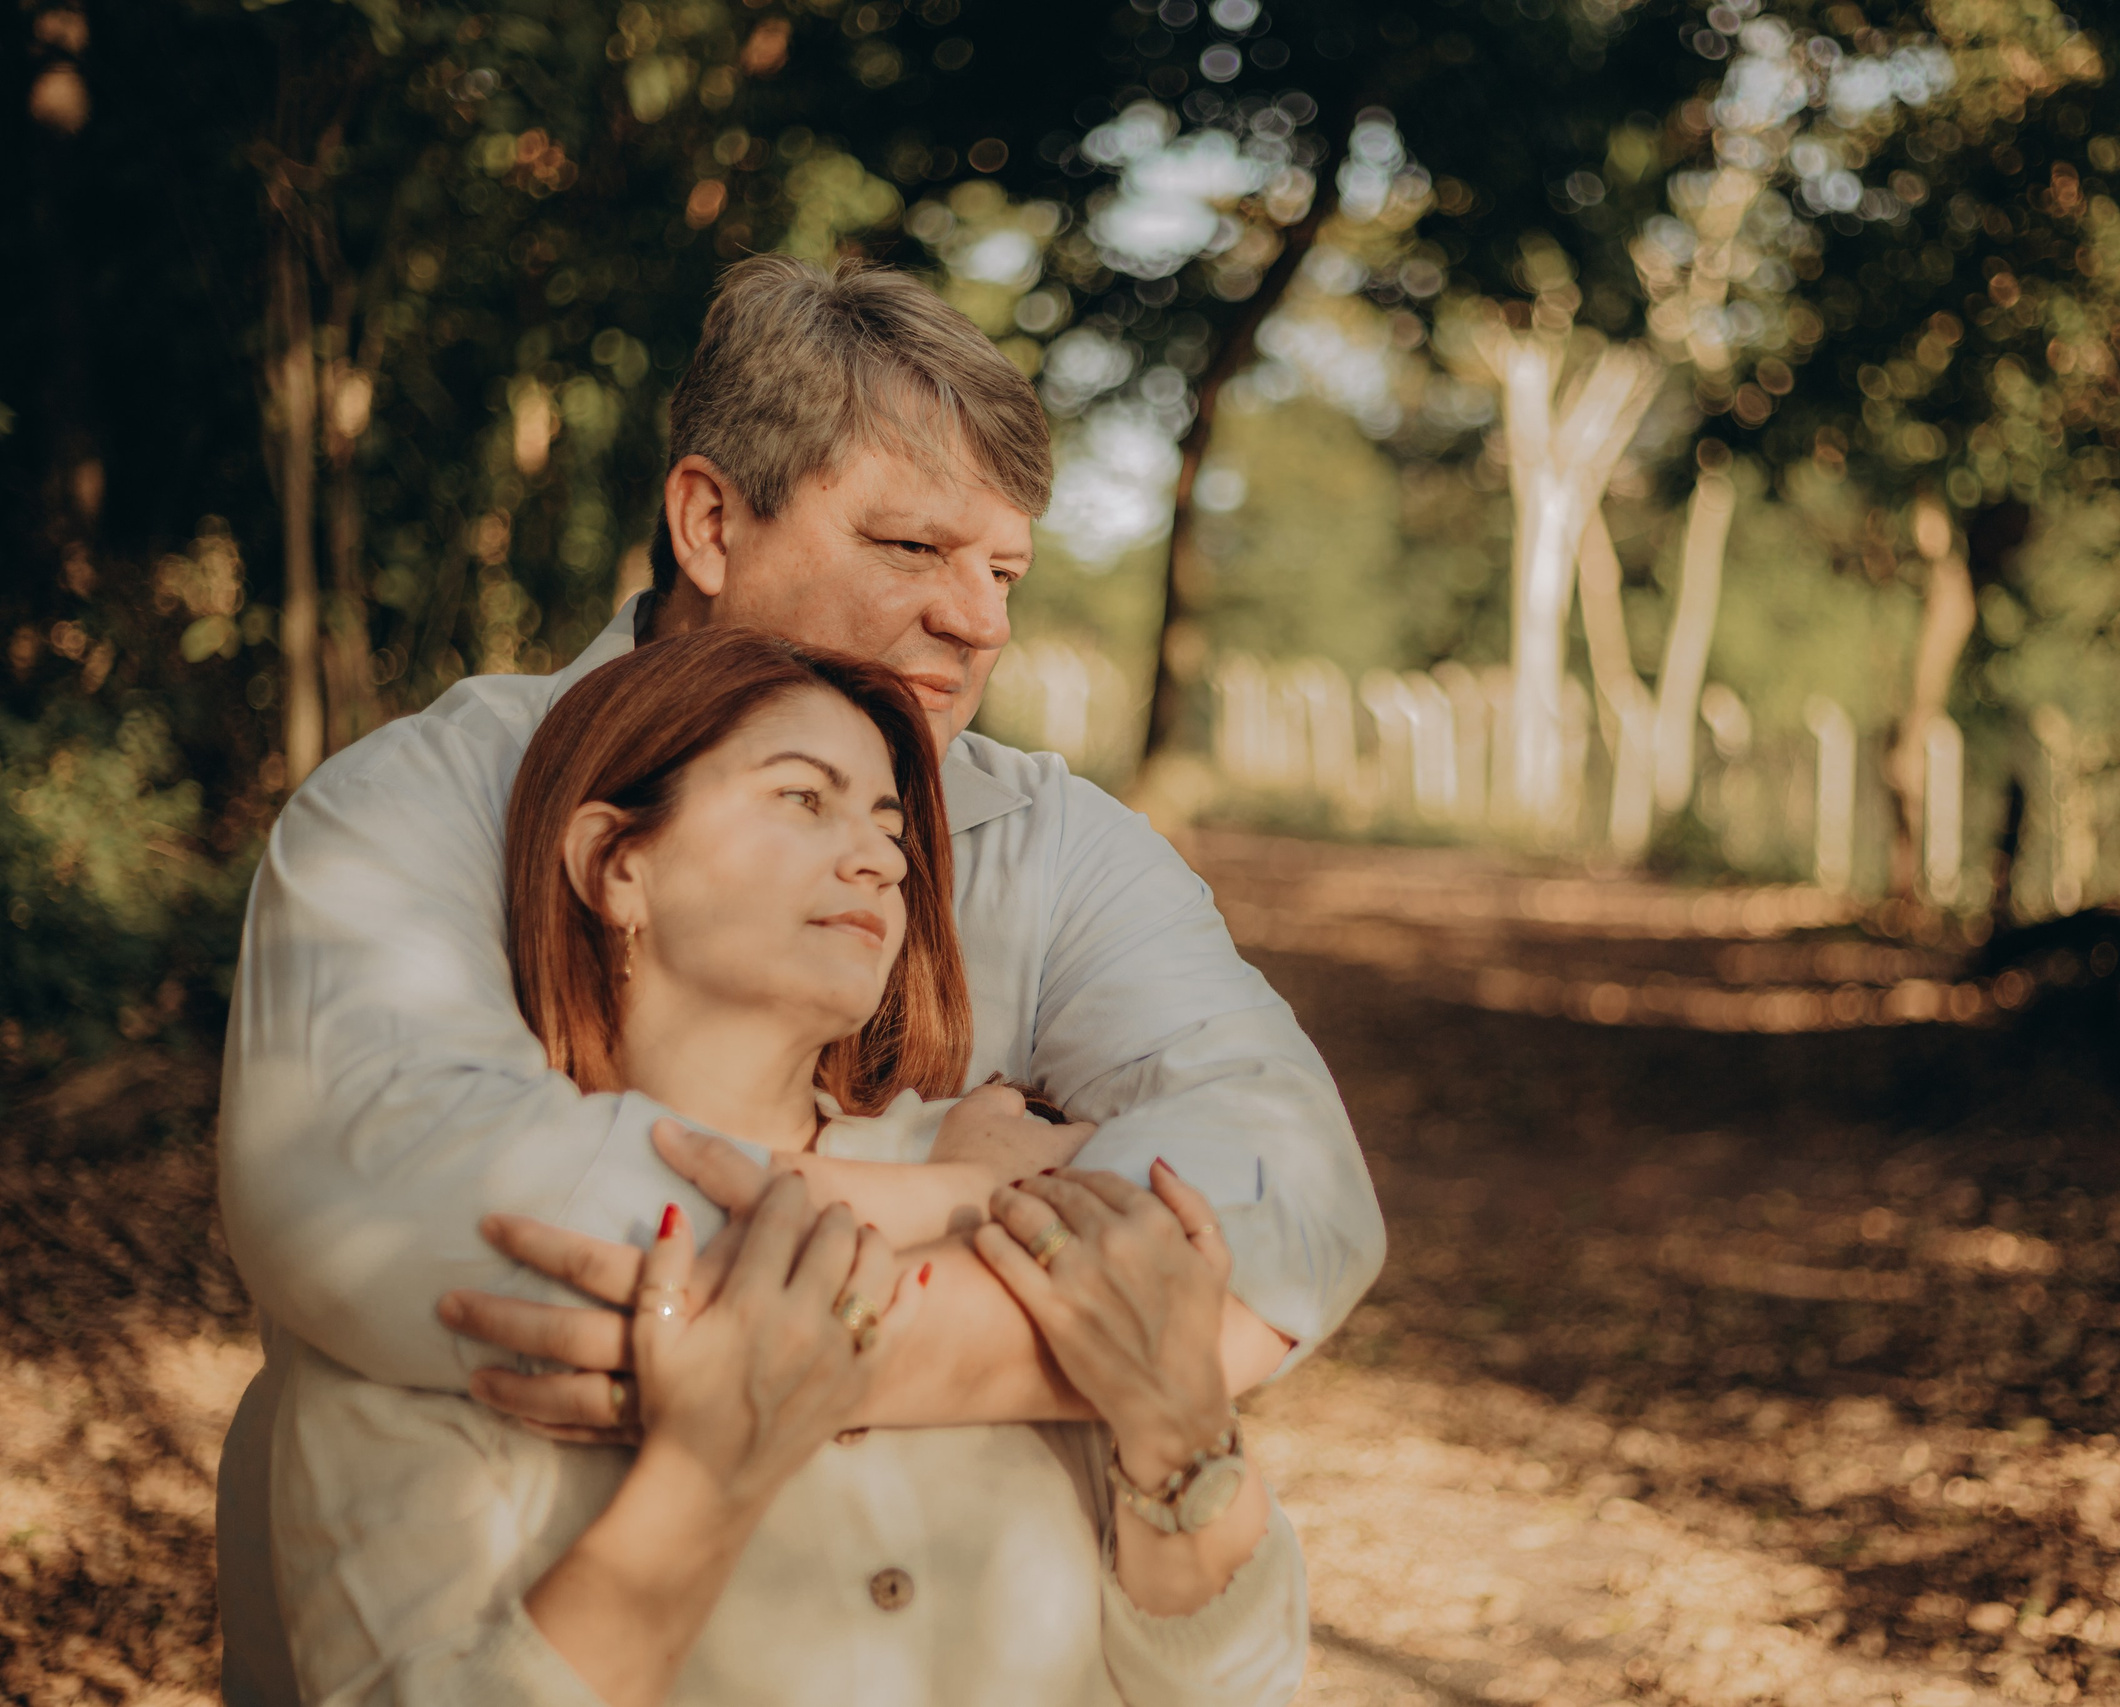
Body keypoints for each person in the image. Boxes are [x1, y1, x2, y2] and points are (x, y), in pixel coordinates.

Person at [216, 256, 1384, 1702]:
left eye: (1005, 570)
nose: (982, 622)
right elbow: (384, 1202)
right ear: (710, 519)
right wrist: (986, 1215)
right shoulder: (428, 795)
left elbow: (1290, 1202)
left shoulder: (1064, 844)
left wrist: (784, 1359)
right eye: (910, 548)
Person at [271, 627, 1305, 1704]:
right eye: (803, 798)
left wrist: (1181, 1438)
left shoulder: (1026, 1190)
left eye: (888, 823)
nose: (880, 857)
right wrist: (704, 1481)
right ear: (619, 865)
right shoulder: (443, 1258)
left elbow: (1237, 1685)